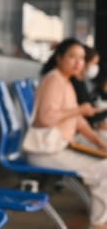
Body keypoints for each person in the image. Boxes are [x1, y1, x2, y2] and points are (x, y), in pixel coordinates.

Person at [22, 38, 107, 229]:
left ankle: (100, 220)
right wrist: (79, 111)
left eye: (82, 58)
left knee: (103, 164)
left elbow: (78, 121)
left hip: (56, 148)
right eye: (72, 57)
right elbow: (46, 118)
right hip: (45, 153)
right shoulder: (54, 80)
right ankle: (99, 224)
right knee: (104, 169)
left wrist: (99, 143)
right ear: (59, 58)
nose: (78, 63)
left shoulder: (65, 81)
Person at [71, 46, 107, 127]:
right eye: (93, 63)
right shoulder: (74, 82)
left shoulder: (83, 80)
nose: (95, 67)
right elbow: (86, 113)